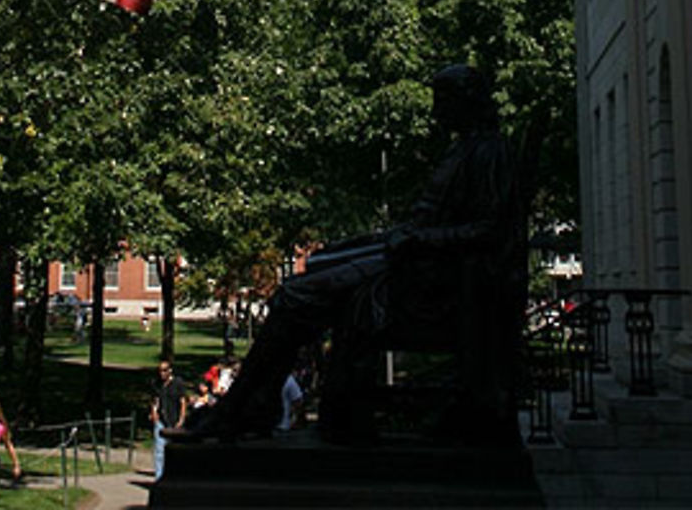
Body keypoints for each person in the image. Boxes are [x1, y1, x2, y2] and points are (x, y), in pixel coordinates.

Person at [180, 64, 521, 443]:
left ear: (467, 102)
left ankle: (244, 411)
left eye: (443, 101)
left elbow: (491, 229)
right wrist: (365, 243)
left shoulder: (489, 153)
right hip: (410, 262)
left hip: (429, 280)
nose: (436, 111)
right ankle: (252, 408)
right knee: (319, 264)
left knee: (294, 296)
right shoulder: (464, 149)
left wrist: (420, 242)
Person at [149, 359, 186, 481]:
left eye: (165, 370)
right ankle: (159, 477)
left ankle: (175, 476)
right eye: (160, 370)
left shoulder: (177, 383)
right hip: (161, 420)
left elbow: (182, 401)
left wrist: (181, 418)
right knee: (159, 450)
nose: (162, 373)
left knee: (174, 450)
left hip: (174, 420)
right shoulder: (156, 384)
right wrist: (154, 412)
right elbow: (155, 400)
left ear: (170, 370)